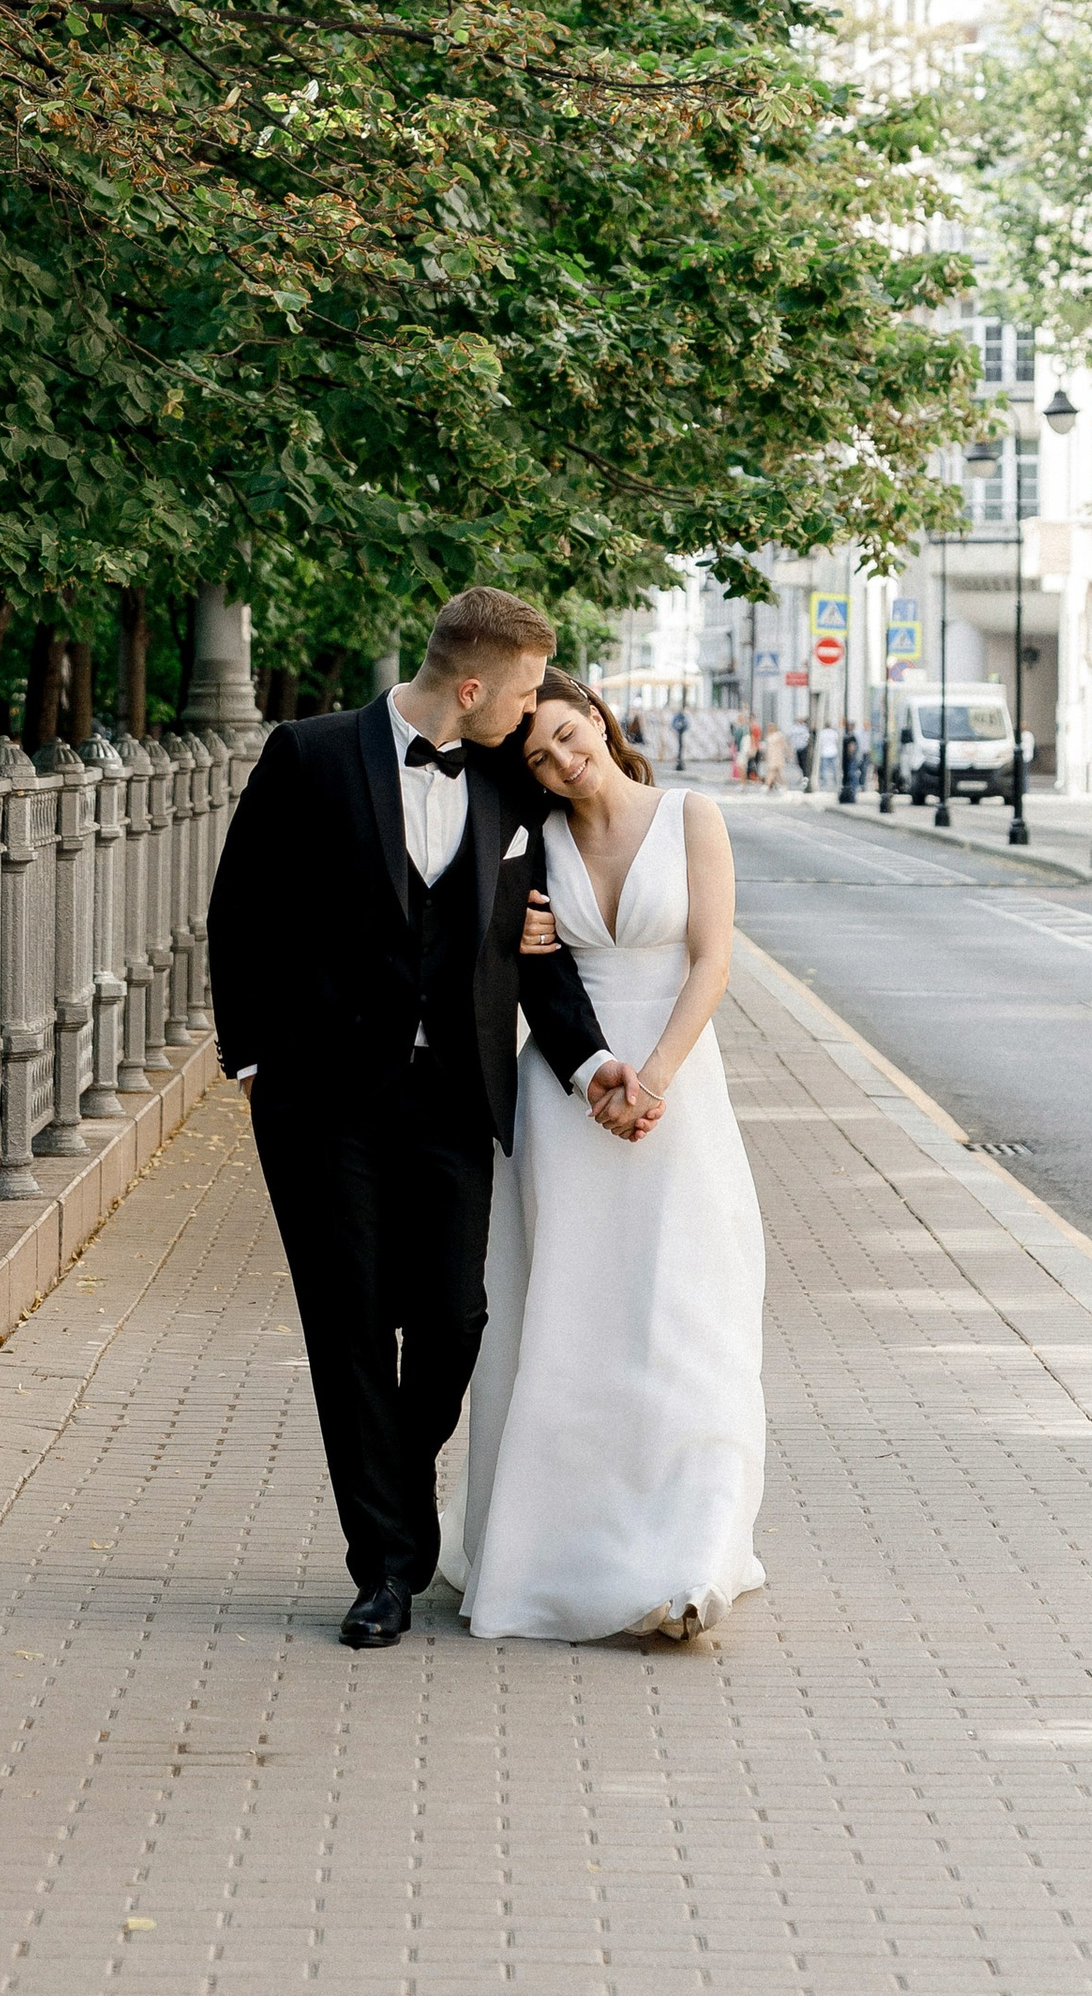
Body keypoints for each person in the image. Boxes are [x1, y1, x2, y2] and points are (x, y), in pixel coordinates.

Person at [206, 587, 652, 1653]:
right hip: (321, 1103)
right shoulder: (306, 757)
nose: (533, 708)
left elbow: (532, 951)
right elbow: (240, 911)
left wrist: (591, 1057)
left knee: (452, 1319)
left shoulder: (506, 779)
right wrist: (255, 1060)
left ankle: (396, 1499)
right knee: (350, 1330)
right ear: (470, 686)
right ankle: (386, 1571)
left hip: (456, 1097)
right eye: (524, 690)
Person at [447, 666, 766, 1644]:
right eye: (538, 758)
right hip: (571, 1103)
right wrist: (593, 1073)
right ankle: (555, 1547)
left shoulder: (691, 817)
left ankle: (691, 1558)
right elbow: (527, 982)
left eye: (566, 737)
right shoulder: (532, 846)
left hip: (677, 1094)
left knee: (687, 1319)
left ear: (595, 715)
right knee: (571, 1322)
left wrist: (655, 1079)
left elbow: (712, 957)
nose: (560, 762)